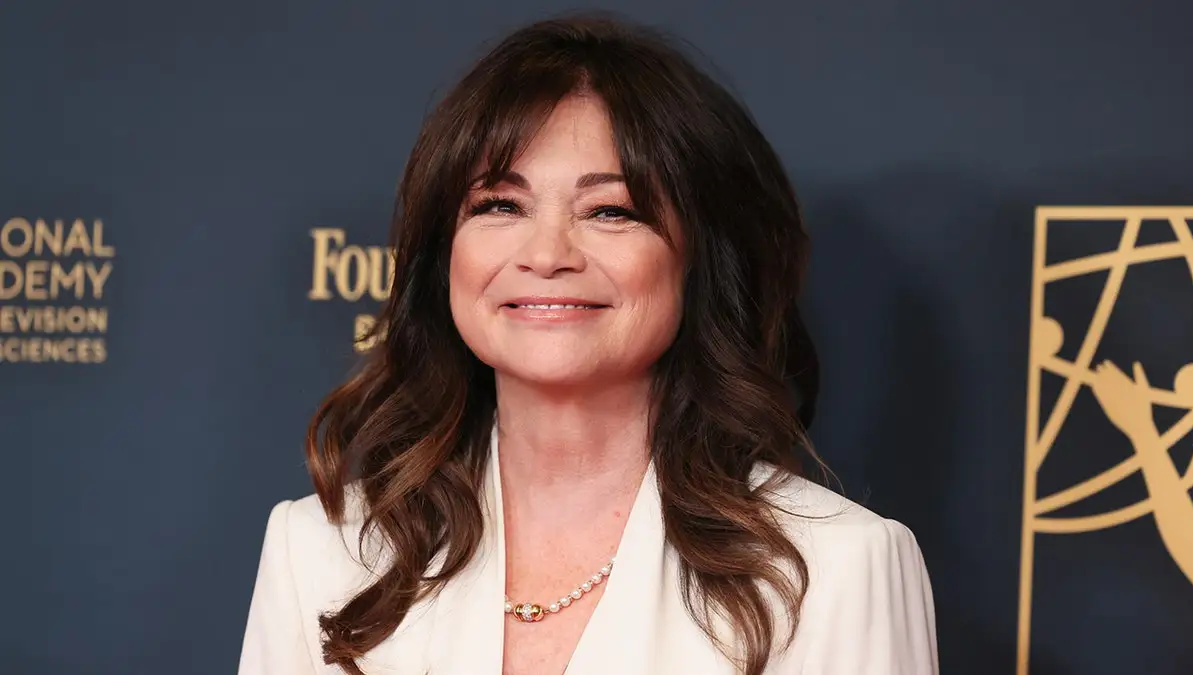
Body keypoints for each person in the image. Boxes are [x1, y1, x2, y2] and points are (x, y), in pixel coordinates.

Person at [238, 13, 938, 675]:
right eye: (500, 205)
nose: (546, 253)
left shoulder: (833, 570)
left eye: (610, 210)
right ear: (443, 252)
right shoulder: (322, 552)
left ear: (700, 258)